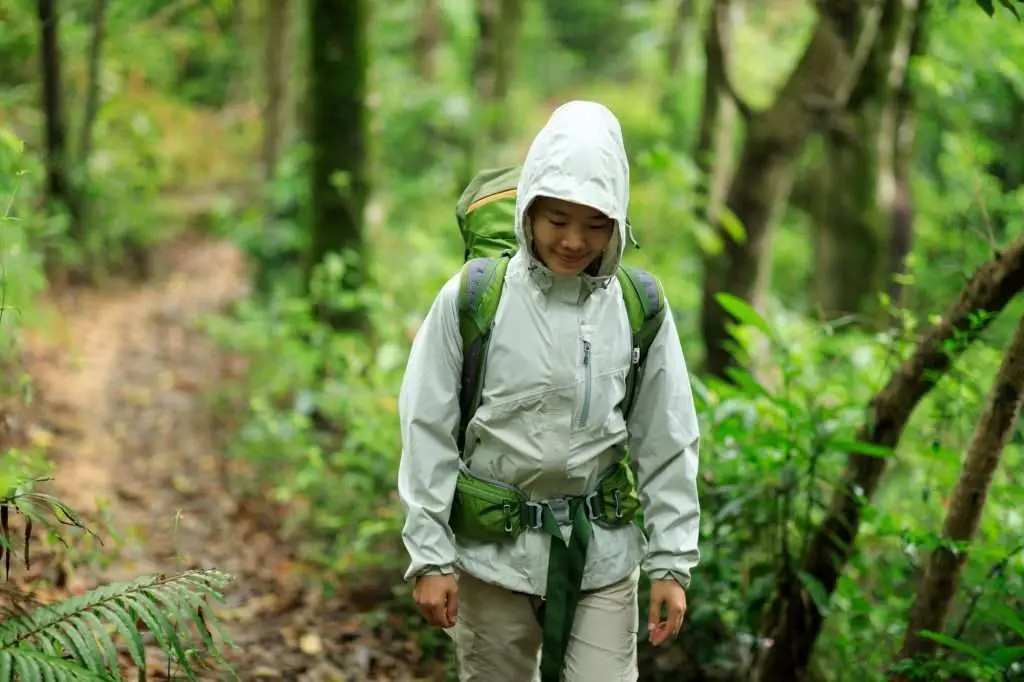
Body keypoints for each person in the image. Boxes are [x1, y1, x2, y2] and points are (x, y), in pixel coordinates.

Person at [396, 100, 701, 682]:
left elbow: (668, 438)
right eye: (558, 219)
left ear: (617, 224)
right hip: (490, 558)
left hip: (602, 557)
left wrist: (672, 562)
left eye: (594, 224)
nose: (573, 240)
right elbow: (426, 427)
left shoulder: (639, 309)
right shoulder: (473, 299)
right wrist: (429, 556)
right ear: (529, 210)